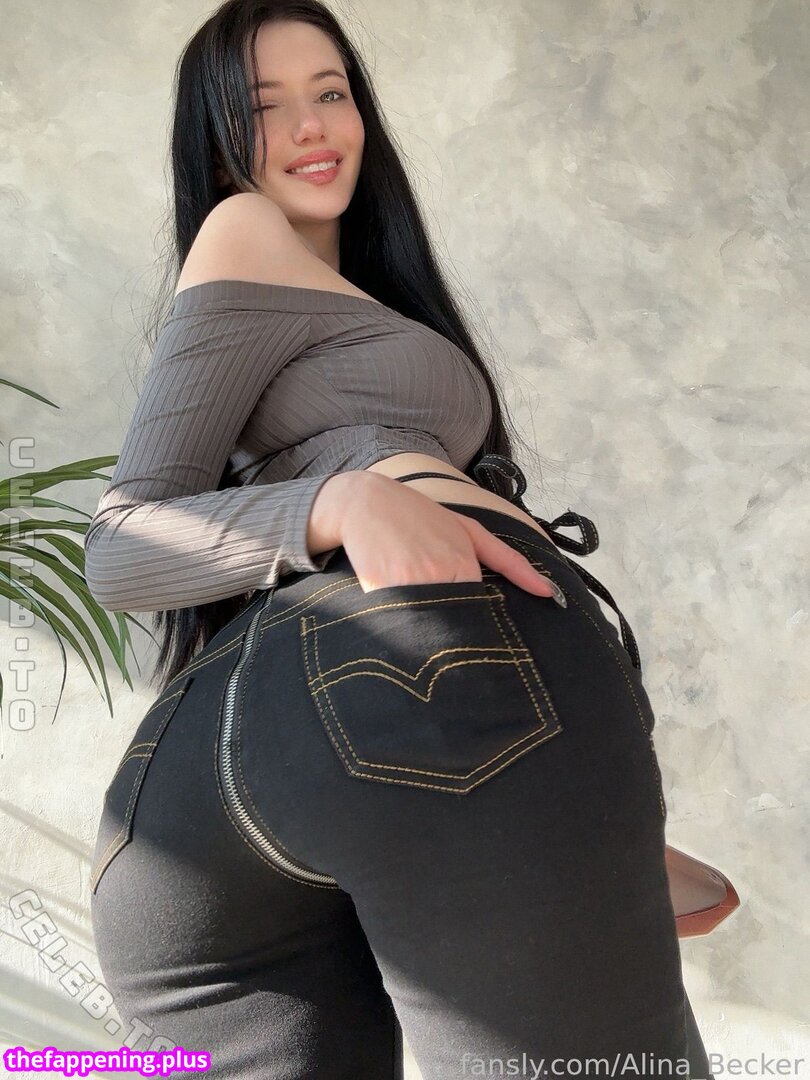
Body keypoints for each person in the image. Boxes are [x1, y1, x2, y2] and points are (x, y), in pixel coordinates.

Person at [84, 2, 718, 1076]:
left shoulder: (335, 298)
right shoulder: (245, 230)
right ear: (217, 141)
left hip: (207, 799)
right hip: (418, 703)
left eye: (331, 92)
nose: (311, 127)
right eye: (263, 107)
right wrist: (339, 504)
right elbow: (121, 546)